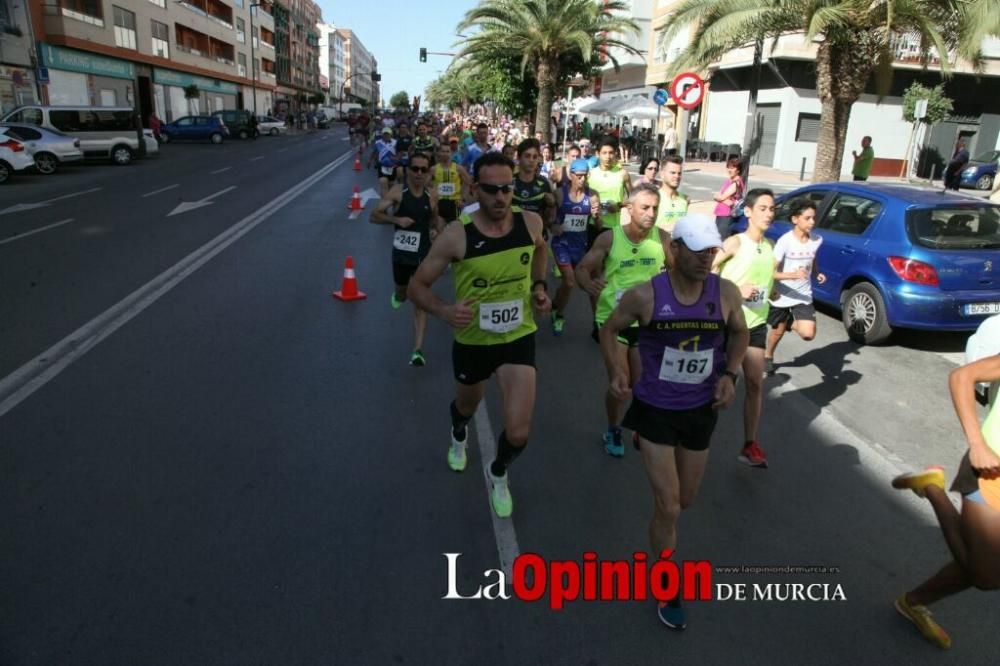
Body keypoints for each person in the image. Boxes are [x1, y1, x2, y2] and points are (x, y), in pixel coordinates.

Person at [602, 213, 748, 629]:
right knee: (668, 507)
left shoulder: (725, 293)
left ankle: (647, 448)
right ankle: (666, 583)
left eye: (712, 251)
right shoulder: (646, 296)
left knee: (685, 500)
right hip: (655, 409)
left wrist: (730, 374)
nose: (706, 259)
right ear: (676, 249)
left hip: (701, 410)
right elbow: (611, 330)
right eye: (698, 250)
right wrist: (616, 371)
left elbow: (739, 333)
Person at [407, 152, 552, 518]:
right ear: (474, 189)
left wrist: (538, 286)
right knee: (467, 407)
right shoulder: (457, 236)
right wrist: (444, 310)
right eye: (491, 190)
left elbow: (540, 251)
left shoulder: (531, 223)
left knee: (518, 432)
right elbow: (416, 286)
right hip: (473, 341)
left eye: (507, 188)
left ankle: (498, 471)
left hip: (518, 336)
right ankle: (458, 431)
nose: (501, 197)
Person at [890, 352, 1000, 650]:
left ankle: (913, 602)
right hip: (991, 476)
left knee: (981, 561)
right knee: (987, 575)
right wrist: (977, 444)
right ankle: (934, 491)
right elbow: (961, 377)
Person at [577, 185, 667, 457]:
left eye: (655, 208)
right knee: (621, 383)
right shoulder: (609, 238)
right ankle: (614, 428)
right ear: (629, 208)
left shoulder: (662, 239)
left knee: (641, 385)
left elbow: (679, 273)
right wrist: (588, 284)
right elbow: (583, 268)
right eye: (645, 207)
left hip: (648, 323)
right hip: (613, 321)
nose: (651, 213)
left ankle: (638, 423)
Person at [712, 188, 776, 468]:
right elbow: (708, 271)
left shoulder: (769, 246)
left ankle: (750, 443)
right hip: (728, 322)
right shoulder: (735, 243)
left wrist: (773, 292)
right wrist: (736, 289)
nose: (769, 213)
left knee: (755, 382)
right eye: (763, 208)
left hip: (757, 323)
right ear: (748, 212)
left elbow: (767, 281)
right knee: (712, 387)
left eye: (772, 209)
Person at [369, 152, 442, 366]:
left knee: (420, 301)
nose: (419, 173)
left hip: (424, 255)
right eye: (415, 169)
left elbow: (435, 219)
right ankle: (399, 294)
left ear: (429, 172)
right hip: (401, 255)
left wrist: (437, 231)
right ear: (408, 170)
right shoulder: (398, 192)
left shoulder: (433, 194)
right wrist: (396, 219)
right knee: (402, 292)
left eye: (424, 169)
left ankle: (417, 350)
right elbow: (374, 216)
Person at [764, 198, 826, 374]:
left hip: (803, 294)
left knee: (808, 334)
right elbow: (770, 272)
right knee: (777, 332)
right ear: (795, 219)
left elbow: (811, 258)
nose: (812, 222)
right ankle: (768, 355)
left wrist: (817, 272)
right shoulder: (785, 242)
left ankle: (791, 320)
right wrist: (792, 275)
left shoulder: (817, 239)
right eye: (807, 218)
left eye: (813, 218)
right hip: (781, 294)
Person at [550, 159, 601, 336]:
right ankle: (560, 315)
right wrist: (554, 227)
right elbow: (549, 221)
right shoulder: (559, 194)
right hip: (562, 245)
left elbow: (598, 225)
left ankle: (597, 323)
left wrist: (597, 216)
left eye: (585, 176)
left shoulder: (592, 195)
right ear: (571, 175)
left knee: (591, 285)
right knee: (570, 282)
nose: (582, 179)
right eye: (578, 176)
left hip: (582, 247)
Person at [512, 138, 555, 229]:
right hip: (513, 236)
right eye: (527, 156)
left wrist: (551, 206)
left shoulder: (544, 184)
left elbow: (549, 219)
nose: (531, 160)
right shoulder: (510, 181)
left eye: (535, 157)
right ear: (519, 158)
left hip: (536, 236)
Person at [432, 142, 471, 223]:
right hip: (439, 202)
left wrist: (463, 199)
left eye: (448, 151)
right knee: (439, 227)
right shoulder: (433, 169)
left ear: (451, 153)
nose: (445, 153)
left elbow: (467, 183)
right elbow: (426, 186)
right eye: (443, 151)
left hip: (455, 203)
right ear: (439, 153)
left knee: (457, 226)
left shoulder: (458, 168)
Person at [656, 155, 690, 236]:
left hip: (678, 247)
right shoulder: (654, 197)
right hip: (658, 246)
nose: (677, 176)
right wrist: (669, 228)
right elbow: (644, 228)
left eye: (679, 173)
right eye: (672, 173)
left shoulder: (685, 199)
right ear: (662, 174)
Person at [712, 158, 744, 240]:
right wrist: (724, 200)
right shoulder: (729, 180)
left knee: (721, 240)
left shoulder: (736, 183)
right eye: (728, 167)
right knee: (716, 237)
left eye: (732, 168)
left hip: (726, 216)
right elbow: (716, 195)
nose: (729, 170)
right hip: (721, 213)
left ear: (738, 170)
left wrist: (720, 198)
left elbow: (720, 196)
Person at [371, 127, 399, 196]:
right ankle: (384, 201)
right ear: (382, 135)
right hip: (382, 166)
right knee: (383, 183)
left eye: (388, 134)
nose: (386, 136)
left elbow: (400, 153)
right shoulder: (378, 143)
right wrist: (370, 161)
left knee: (391, 185)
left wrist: (397, 160)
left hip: (392, 166)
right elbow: (374, 152)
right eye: (385, 134)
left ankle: (391, 201)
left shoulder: (396, 143)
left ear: (391, 134)